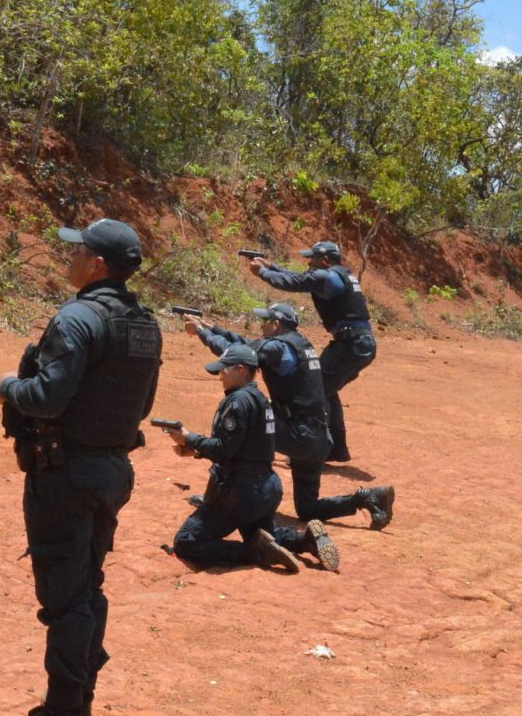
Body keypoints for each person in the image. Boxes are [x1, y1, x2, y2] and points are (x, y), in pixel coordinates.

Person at [0, 219, 163, 716]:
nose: (71, 258)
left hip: (65, 473)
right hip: (112, 470)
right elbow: (144, 404)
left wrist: (7, 387)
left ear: (98, 265)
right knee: (88, 587)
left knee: (66, 598)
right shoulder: (144, 325)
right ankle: (80, 701)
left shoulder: (78, 318)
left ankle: (62, 715)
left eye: (79, 252)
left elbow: (46, 398)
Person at [187, 302, 393, 538]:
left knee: (243, 431)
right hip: (316, 438)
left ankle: (216, 499)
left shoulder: (277, 348)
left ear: (276, 324)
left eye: (265, 321)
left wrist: (202, 333)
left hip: (299, 434)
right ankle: (367, 498)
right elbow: (245, 345)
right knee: (307, 509)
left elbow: (236, 356)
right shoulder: (298, 344)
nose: (262, 326)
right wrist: (211, 328)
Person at [160, 344, 318, 573]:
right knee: (260, 533)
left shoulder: (238, 401)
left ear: (241, 370)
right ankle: (303, 541)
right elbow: (243, 448)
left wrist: (190, 438)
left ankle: (256, 553)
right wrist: (198, 450)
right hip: (266, 489)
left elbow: (225, 449)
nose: (220, 375)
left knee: (187, 542)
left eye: (224, 369)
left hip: (240, 492)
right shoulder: (260, 399)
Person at [246, 240, 376, 461]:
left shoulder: (327, 277)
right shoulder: (337, 275)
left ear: (325, 261)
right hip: (357, 343)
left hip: (352, 344)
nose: (309, 263)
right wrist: (271, 266)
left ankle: (315, 450)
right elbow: (300, 277)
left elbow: (294, 282)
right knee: (325, 388)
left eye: (312, 259)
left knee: (318, 389)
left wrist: (263, 272)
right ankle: (335, 449)